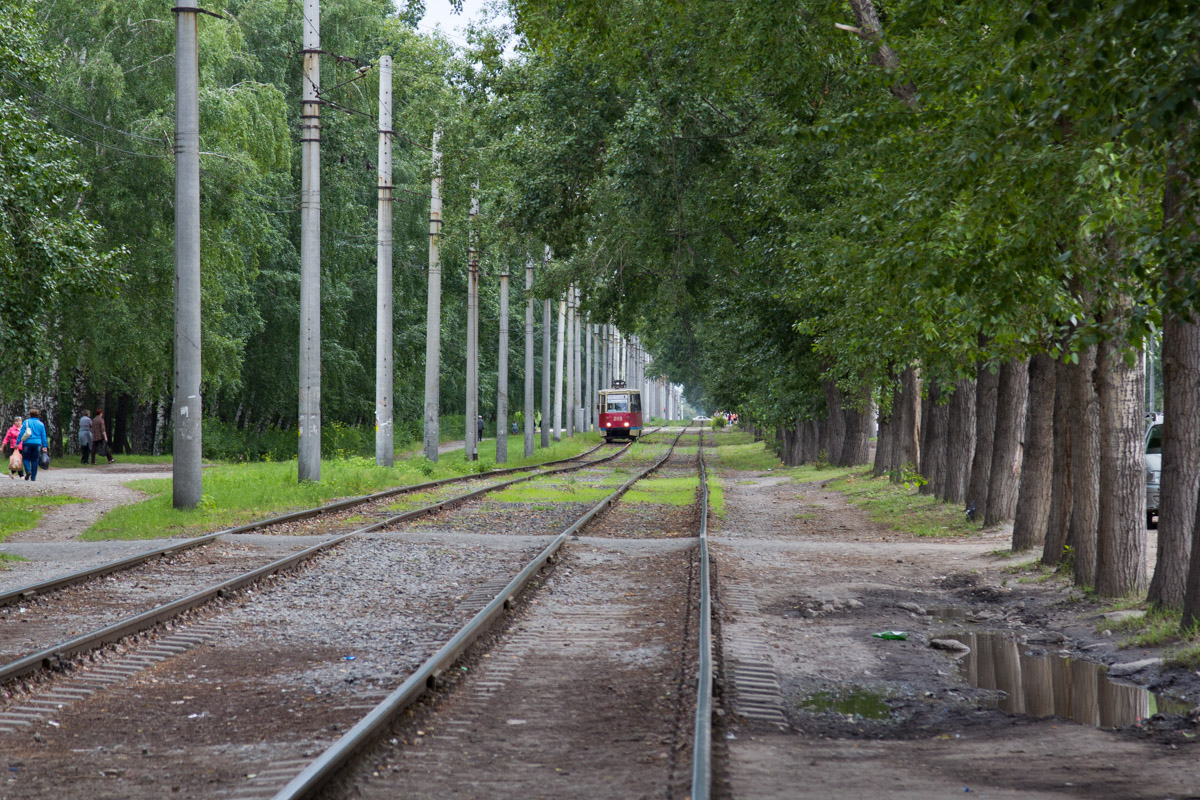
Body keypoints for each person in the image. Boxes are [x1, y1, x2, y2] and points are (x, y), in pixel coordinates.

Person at [19, 409, 48, 482]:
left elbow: (21, 433)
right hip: (37, 444)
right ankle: (33, 477)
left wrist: (17, 442)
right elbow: (44, 436)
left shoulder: (26, 422)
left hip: (27, 443)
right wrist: (45, 446)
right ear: (38, 415)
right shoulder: (41, 424)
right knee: (35, 460)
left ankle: (28, 470)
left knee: (26, 458)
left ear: (30, 415)